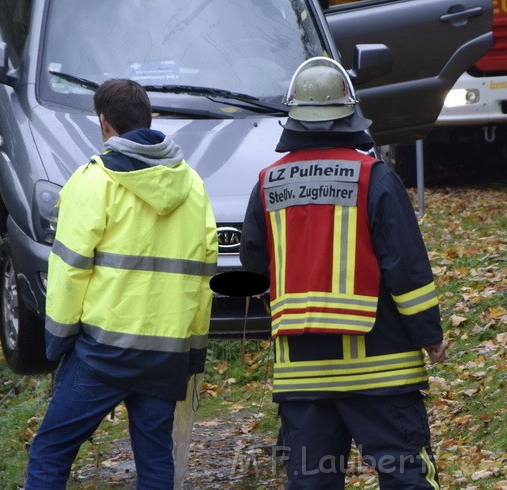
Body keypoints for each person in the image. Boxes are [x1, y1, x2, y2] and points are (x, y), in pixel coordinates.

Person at [223, 57, 448, 488]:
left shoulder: (267, 184)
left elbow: (256, 268)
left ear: (293, 116)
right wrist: (429, 335)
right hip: (382, 370)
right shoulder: (376, 179)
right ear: (350, 110)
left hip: (302, 375)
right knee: (406, 477)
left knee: (311, 482)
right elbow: (406, 267)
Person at [25, 78, 217, 489]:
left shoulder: (94, 181)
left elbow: (69, 269)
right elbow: (203, 280)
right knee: (153, 459)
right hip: (165, 353)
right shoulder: (194, 188)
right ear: (149, 119)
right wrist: (194, 353)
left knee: (51, 450)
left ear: (105, 123)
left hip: (103, 354)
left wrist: (57, 340)